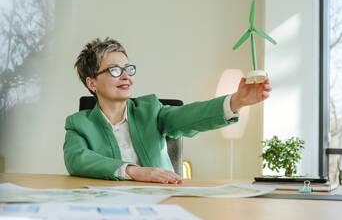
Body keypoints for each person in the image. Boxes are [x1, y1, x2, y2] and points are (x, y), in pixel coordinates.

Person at [63, 38, 271, 184]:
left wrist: (236, 101)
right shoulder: (78, 123)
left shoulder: (151, 109)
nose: (126, 76)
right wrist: (135, 172)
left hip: (162, 204)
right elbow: (77, 160)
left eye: (128, 68)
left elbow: (190, 116)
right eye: (115, 70)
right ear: (92, 83)